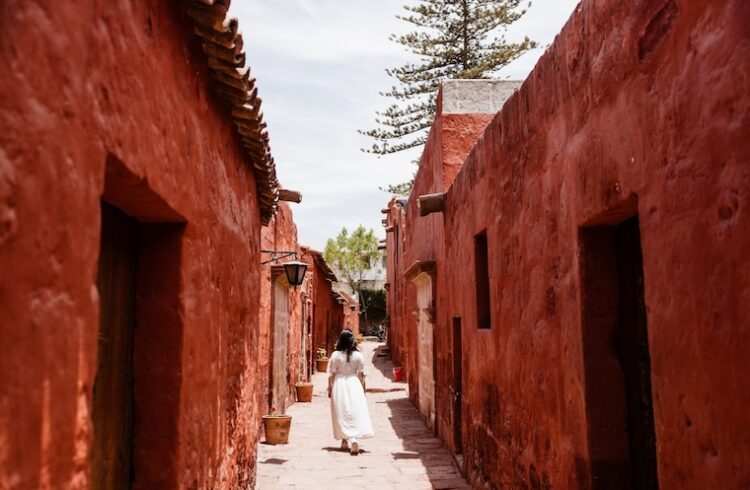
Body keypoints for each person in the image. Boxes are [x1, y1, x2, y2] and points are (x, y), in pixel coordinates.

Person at [327, 329, 374, 454]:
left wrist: (330, 387)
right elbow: (361, 374)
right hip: (354, 383)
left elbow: (331, 374)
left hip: (339, 383)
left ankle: (344, 440)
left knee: (341, 411)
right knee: (354, 411)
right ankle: (353, 438)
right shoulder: (358, 356)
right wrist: (363, 388)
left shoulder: (335, 355)